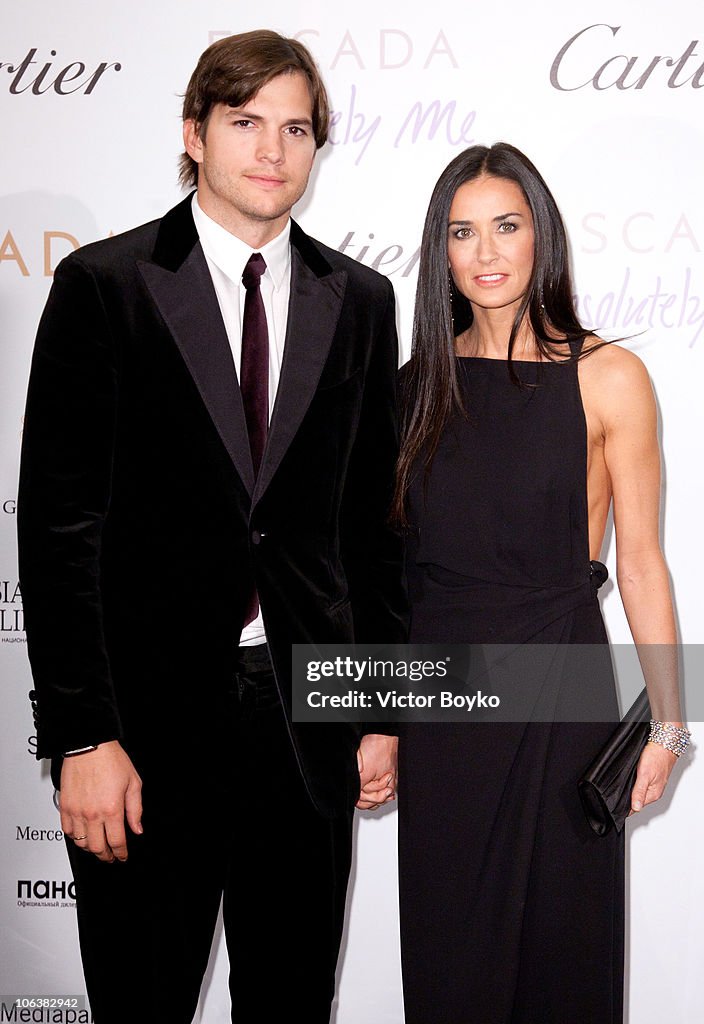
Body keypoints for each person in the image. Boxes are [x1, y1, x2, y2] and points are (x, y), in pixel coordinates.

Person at [17, 30, 406, 1024]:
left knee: (290, 1001)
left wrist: (374, 706)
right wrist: (83, 735)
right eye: (244, 123)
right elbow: (60, 532)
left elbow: (367, 526)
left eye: (295, 129)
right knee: (140, 998)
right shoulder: (105, 286)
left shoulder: (360, 301)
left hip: (303, 731)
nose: (272, 150)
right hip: (143, 735)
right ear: (193, 134)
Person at [392, 143, 689, 1023]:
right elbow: (395, 575)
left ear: (541, 238)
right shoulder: (412, 388)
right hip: (443, 710)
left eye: (507, 227)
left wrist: (672, 724)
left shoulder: (608, 378)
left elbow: (640, 561)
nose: (486, 252)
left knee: (563, 960)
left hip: (563, 701)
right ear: (439, 251)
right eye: (462, 232)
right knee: (450, 969)